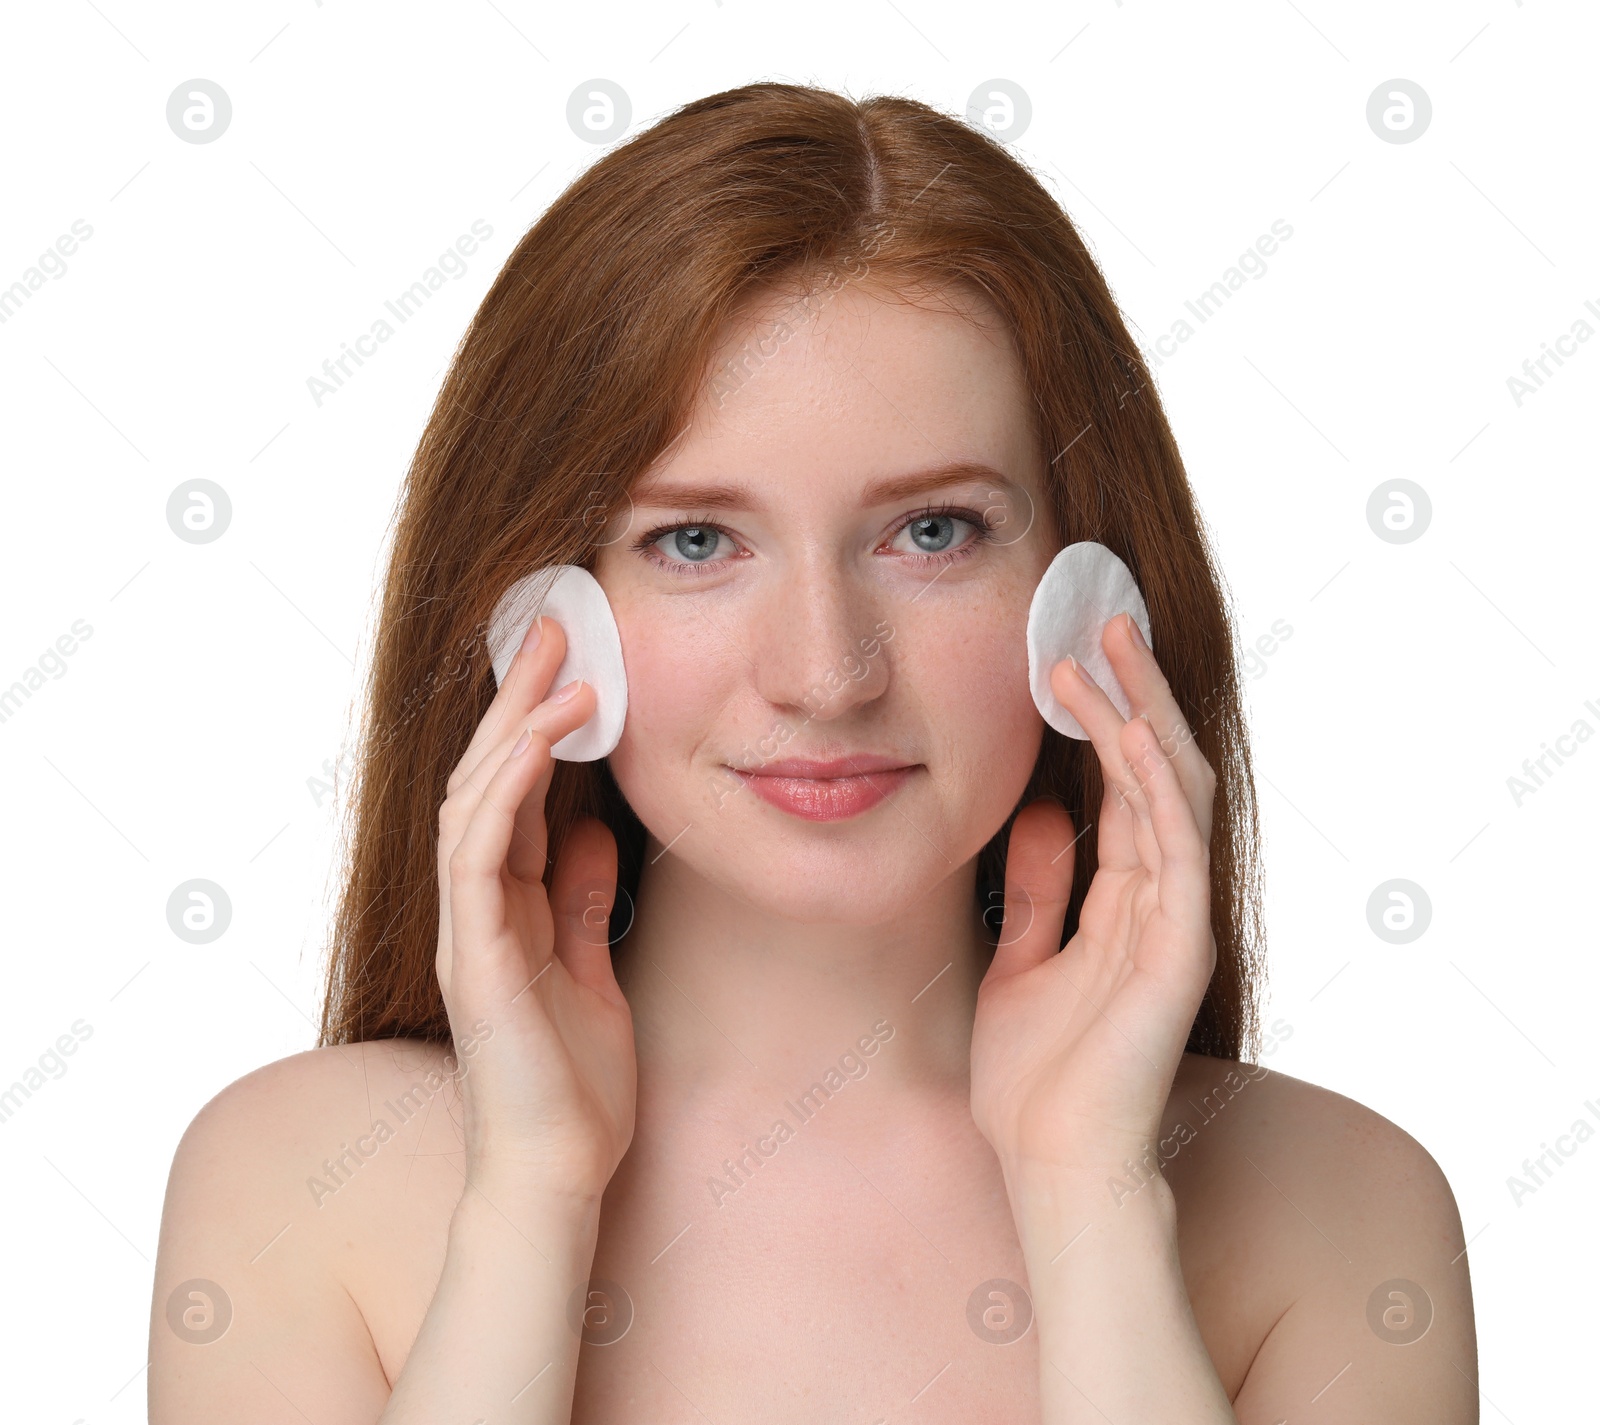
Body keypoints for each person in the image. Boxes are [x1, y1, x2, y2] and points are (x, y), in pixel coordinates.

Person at [149, 82, 1477, 1423]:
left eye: (935, 532)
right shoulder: (288, 1184)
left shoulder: (1345, 1211)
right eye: (696, 542)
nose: (825, 672)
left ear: (1093, 604)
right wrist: (531, 1194)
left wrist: (1094, 1199)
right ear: (546, 625)